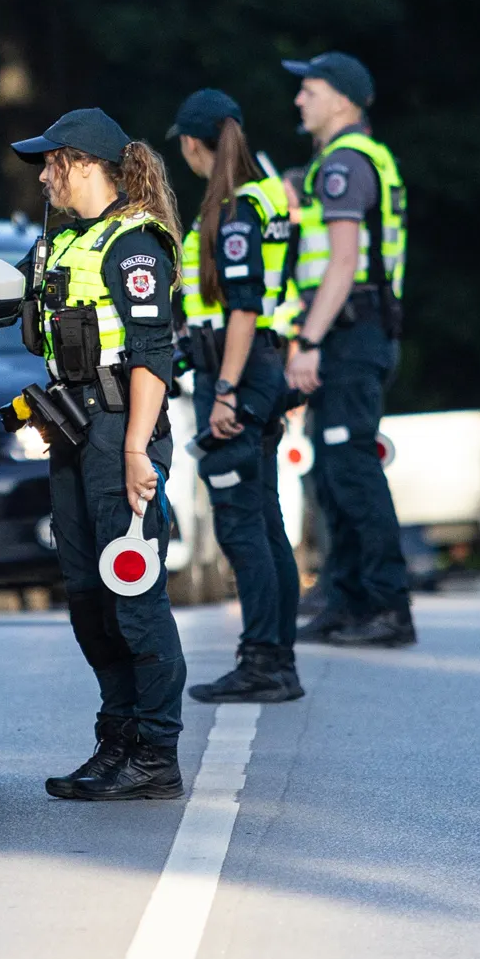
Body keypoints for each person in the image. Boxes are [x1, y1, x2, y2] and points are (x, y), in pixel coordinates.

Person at [7, 108, 191, 800]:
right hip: (74, 431)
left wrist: (139, 450)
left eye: (51, 162)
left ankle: (155, 751)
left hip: (121, 431)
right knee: (89, 597)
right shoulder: (61, 242)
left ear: (83, 162)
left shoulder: (134, 244)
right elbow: (7, 300)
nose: (44, 175)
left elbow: (151, 356)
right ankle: (118, 740)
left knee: (132, 591)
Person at [166, 90, 304, 702]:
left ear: (194, 144)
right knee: (264, 520)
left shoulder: (237, 209)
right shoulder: (265, 197)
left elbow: (244, 307)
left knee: (243, 525)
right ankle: (275, 659)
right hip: (261, 368)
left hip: (238, 372)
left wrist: (224, 391)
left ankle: (264, 663)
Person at [280, 52, 415, 648]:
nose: (298, 101)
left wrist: (307, 341)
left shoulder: (345, 164)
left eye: (309, 91)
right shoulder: (336, 166)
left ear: (342, 99)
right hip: (349, 333)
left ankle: (388, 605)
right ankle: (347, 600)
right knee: (335, 471)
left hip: (350, 335)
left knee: (352, 469)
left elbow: (342, 264)